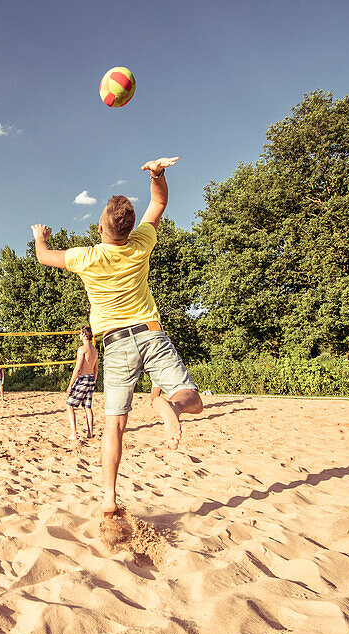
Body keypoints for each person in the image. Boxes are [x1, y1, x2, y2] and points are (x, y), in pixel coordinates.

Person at [33, 156, 203, 516]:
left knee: (115, 425)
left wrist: (39, 237)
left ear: (100, 228)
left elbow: (44, 257)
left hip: (117, 344)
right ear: (127, 228)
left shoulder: (86, 257)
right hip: (152, 334)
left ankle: (109, 498)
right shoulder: (141, 243)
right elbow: (158, 203)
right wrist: (157, 174)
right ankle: (170, 406)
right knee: (192, 398)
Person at [65, 325, 99, 440]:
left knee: (69, 405)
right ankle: (90, 433)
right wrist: (93, 380)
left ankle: (74, 433)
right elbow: (96, 369)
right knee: (88, 407)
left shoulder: (82, 349)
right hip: (91, 378)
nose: (79, 335)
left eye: (80, 333)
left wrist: (70, 385)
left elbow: (77, 369)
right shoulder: (94, 350)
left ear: (84, 334)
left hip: (83, 378)